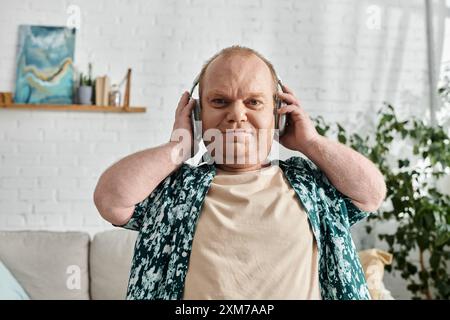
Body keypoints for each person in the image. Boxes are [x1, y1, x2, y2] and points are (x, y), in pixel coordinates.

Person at [93, 45, 387, 300]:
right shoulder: (175, 192)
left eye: (254, 101)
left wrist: (311, 142)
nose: (237, 114)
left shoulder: (311, 186)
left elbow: (372, 194)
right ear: (198, 116)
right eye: (219, 101)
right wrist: (179, 147)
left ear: (278, 113)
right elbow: (110, 200)